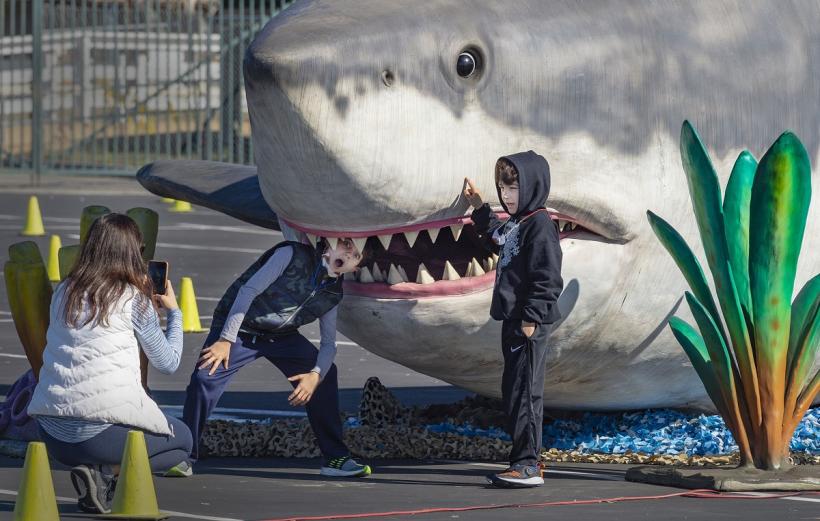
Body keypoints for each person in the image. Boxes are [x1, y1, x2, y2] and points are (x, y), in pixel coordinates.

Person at [28, 213, 191, 514]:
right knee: (183, 443)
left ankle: (96, 476)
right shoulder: (133, 299)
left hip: (50, 433)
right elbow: (168, 362)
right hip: (97, 438)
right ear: (131, 254)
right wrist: (174, 313)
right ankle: (105, 476)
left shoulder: (64, 291)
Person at [182, 236, 371, 477]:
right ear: (330, 243)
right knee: (204, 378)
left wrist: (315, 375)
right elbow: (248, 290)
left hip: (281, 336)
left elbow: (328, 344)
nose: (347, 253)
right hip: (240, 329)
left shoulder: (333, 294)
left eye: (355, 254)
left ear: (354, 268)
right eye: (346, 245)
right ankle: (184, 455)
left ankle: (335, 458)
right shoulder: (291, 254)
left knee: (326, 374)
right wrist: (225, 340)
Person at [464, 151, 563, 488]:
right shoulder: (519, 222)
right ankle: (527, 457)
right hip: (516, 320)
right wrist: (479, 207)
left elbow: (547, 277)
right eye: (502, 189)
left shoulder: (540, 225)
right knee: (515, 390)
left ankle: (527, 465)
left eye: (514, 188)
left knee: (524, 392)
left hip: (527, 323)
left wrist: (531, 318)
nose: (506, 196)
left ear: (532, 185)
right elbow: (498, 238)